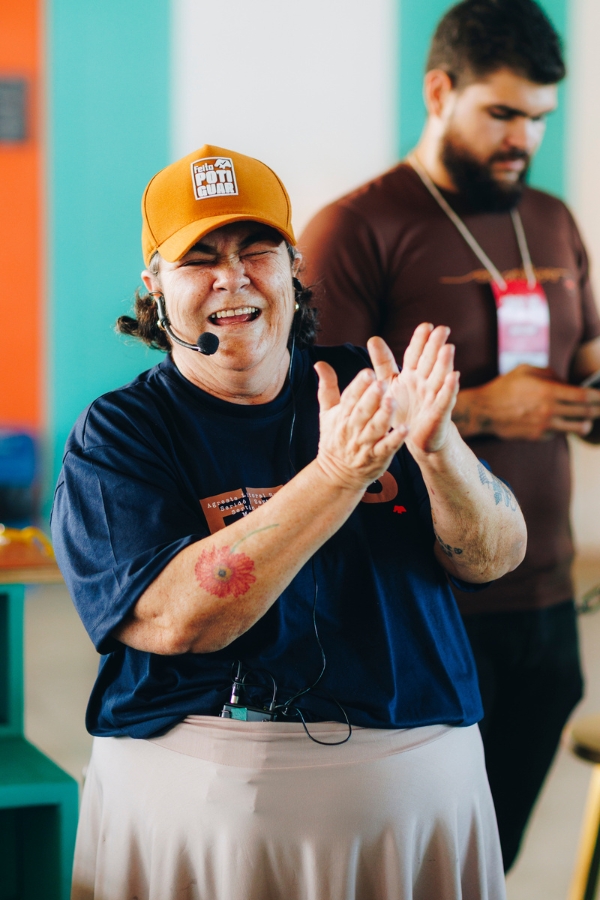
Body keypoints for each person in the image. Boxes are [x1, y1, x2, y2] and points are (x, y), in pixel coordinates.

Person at [51, 144, 525, 900]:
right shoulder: (121, 434)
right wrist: (337, 476)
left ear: (293, 267)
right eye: (198, 257)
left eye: (256, 251)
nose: (231, 278)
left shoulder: (372, 387)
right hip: (209, 813)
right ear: (154, 286)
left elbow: (496, 555)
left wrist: (439, 453)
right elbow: (179, 621)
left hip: (419, 800)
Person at [299, 0, 600, 872]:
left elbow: (582, 362)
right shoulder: (357, 229)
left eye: (539, 118)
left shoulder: (551, 218)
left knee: (485, 862)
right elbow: (321, 425)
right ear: (440, 90)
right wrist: (480, 412)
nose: (524, 139)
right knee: (407, 868)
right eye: (502, 113)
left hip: (546, 599)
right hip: (422, 606)